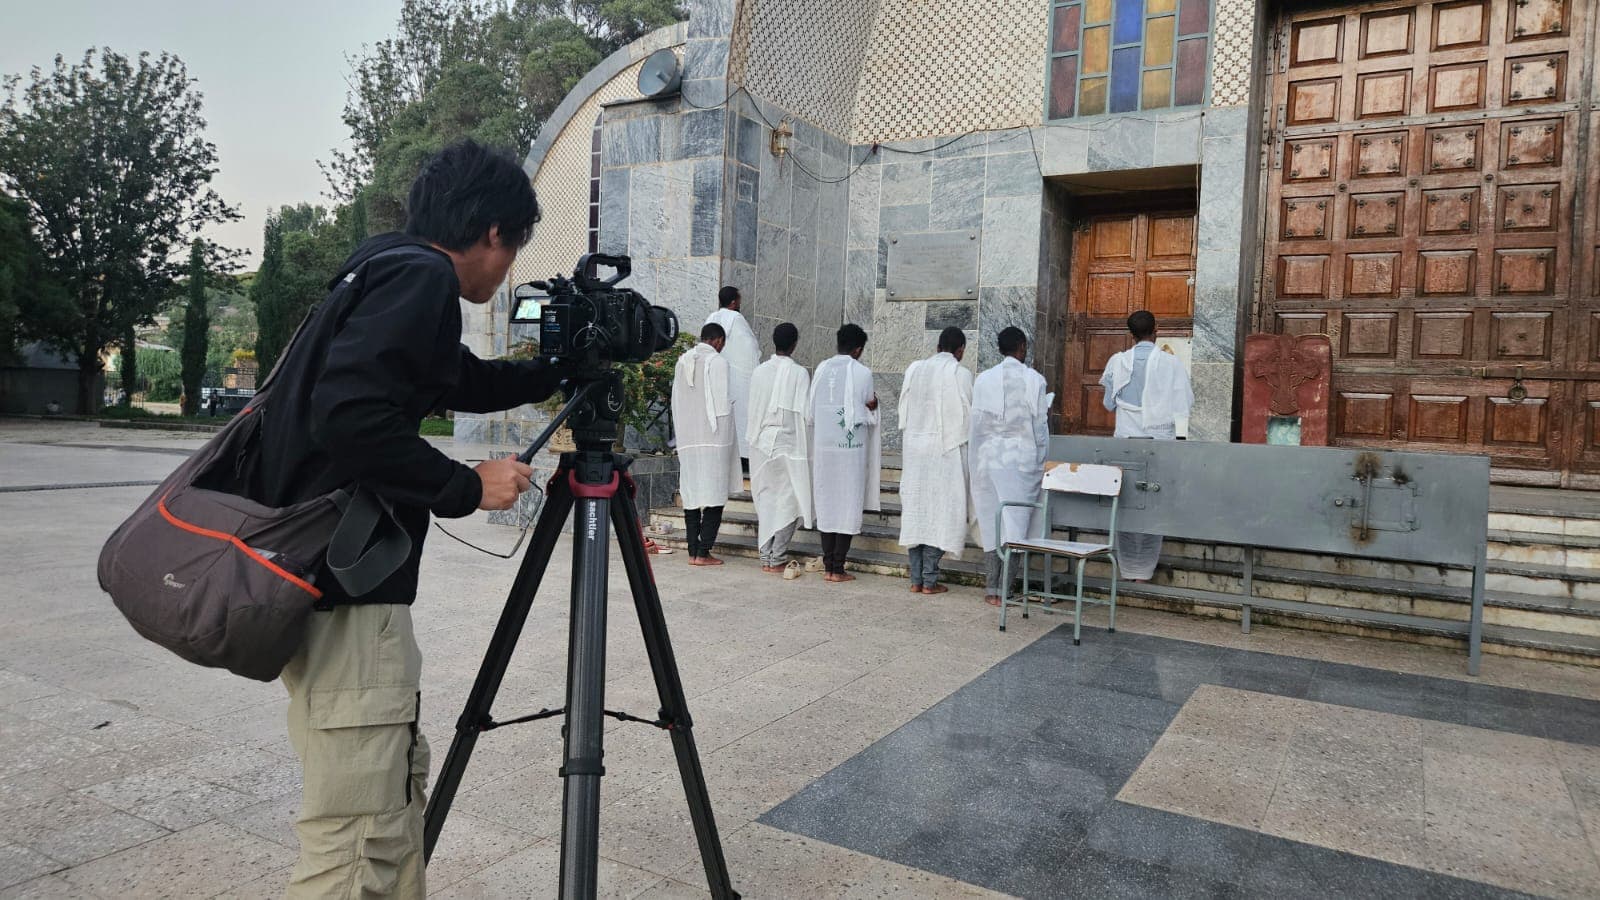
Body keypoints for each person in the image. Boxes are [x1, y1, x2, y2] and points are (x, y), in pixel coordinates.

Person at [250, 140, 560, 899]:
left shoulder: (383, 266)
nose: (507, 268)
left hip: (320, 579)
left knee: (380, 803)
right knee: (358, 836)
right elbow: (350, 416)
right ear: (493, 231)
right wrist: (464, 485)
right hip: (344, 593)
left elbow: (450, 376)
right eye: (514, 247)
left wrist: (549, 373)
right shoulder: (421, 278)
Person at [1100, 309, 1194, 582]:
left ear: (1131, 334)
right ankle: (1144, 570)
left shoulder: (1117, 362)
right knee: (1153, 504)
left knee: (1126, 504)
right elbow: (1185, 403)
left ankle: (1128, 568)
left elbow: (1108, 404)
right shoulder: (1170, 363)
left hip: (1126, 444)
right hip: (1159, 445)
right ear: (1156, 330)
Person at [970, 327, 1051, 606]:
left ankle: (991, 588)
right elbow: (1040, 428)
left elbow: (976, 425)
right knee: (1015, 524)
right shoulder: (1033, 379)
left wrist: (977, 460)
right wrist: (1041, 462)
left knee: (992, 520)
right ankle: (1005, 589)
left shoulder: (984, 379)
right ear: (1022, 347)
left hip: (989, 457)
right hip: (1020, 460)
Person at [897, 327, 974, 595]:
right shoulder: (960, 373)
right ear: (960, 350)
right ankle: (930, 581)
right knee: (943, 512)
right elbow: (969, 415)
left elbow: (904, 410)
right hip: (946, 451)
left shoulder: (914, 369)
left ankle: (916, 580)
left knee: (917, 511)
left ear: (938, 346)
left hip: (915, 450)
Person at [808, 324, 881, 583]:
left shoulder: (821, 369)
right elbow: (867, 410)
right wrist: (875, 405)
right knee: (847, 503)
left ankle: (829, 565)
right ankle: (837, 568)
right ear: (858, 349)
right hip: (850, 452)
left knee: (827, 503)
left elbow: (811, 411)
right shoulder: (863, 372)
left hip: (825, 449)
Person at [671, 321, 743, 566]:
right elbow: (723, 405)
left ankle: (693, 550)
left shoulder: (682, 361)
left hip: (689, 438)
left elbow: (676, 402)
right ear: (719, 341)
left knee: (691, 493)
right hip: (714, 440)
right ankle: (703, 552)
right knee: (715, 495)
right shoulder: (718, 362)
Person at [746, 323, 813, 578]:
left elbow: (753, 409)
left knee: (767, 501)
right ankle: (777, 557)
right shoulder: (800, 373)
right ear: (794, 344)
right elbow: (806, 415)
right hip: (789, 446)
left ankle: (766, 556)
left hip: (762, 444)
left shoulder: (759, 371)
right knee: (790, 501)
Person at [704, 286, 760, 460]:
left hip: (715, 376)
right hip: (738, 379)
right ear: (734, 302)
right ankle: (742, 455)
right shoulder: (737, 319)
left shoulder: (711, 318)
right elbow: (751, 349)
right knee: (741, 415)